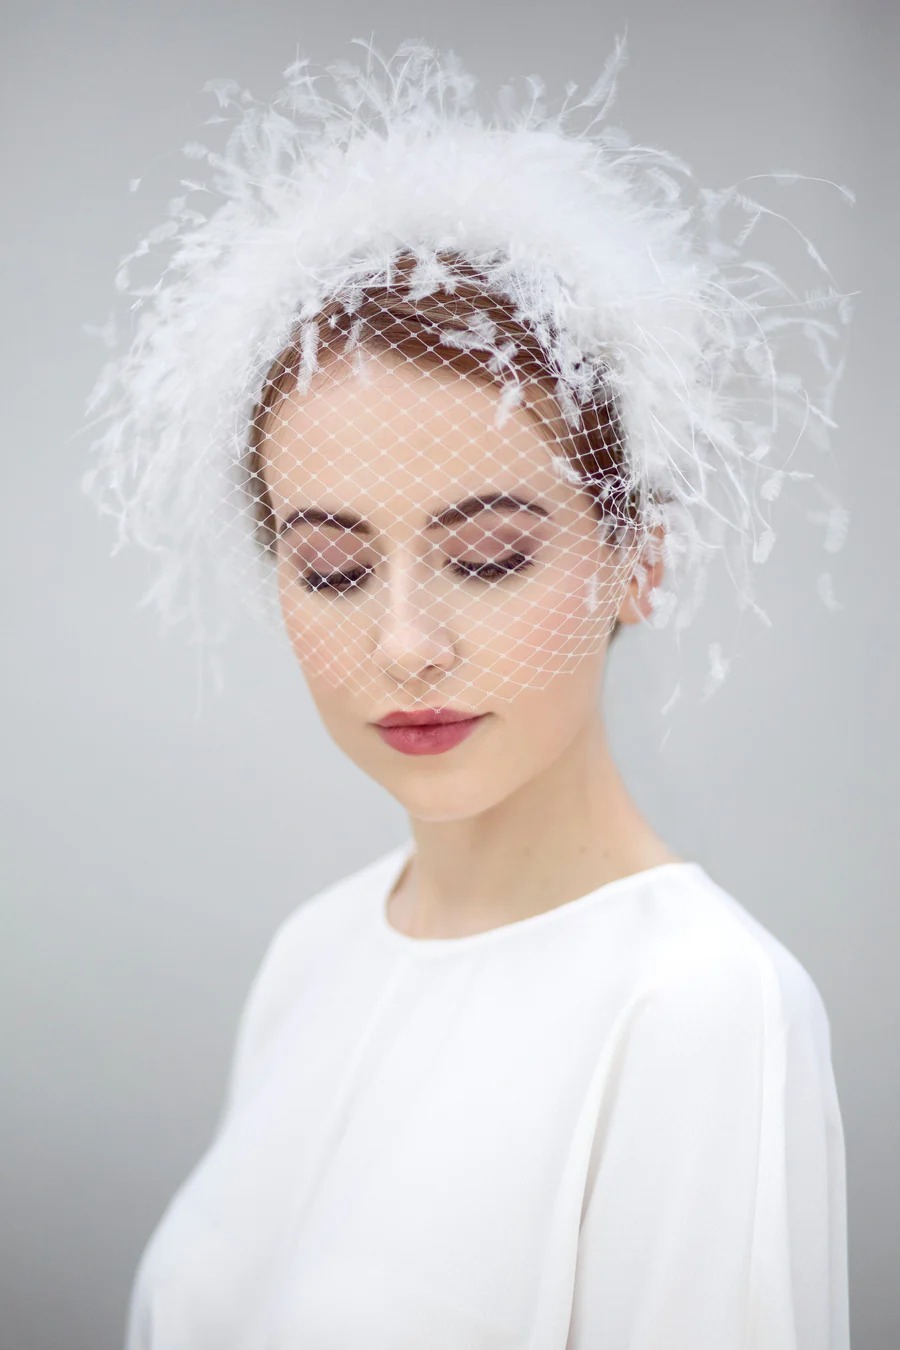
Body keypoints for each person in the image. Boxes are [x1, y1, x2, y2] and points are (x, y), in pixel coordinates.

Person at [82, 37, 851, 1349]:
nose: (405, 642)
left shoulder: (697, 1007)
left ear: (635, 555)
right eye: (329, 567)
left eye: (488, 554)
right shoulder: (314, 954)